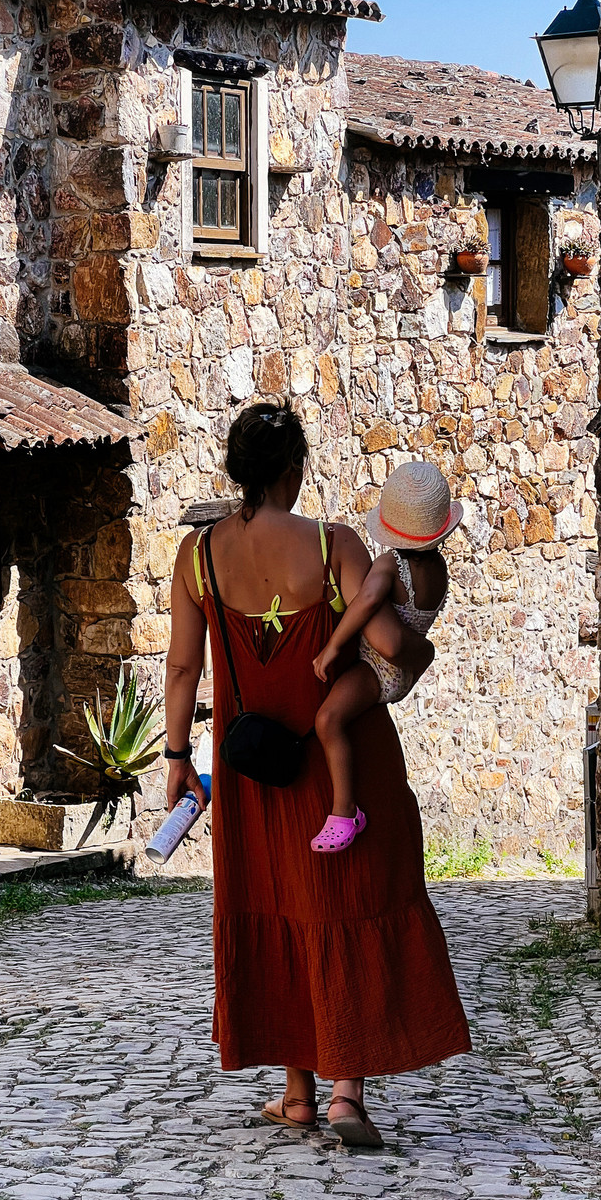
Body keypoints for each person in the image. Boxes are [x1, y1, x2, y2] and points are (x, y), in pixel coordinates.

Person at [164, 400, 471, 1149]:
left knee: (278, 904)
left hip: (253, 773)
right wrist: (425, 656)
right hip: (342, 767)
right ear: (295, 470)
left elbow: (181, 666)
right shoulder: (337, 546)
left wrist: (177, 761)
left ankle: (297, 1093)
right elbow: (395, 647)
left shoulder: (197, 558)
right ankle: (344, 1094)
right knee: (347, 901)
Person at [309, 461, 461, 853]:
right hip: (403, 673)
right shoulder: (438, 569)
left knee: (328, 720)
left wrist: (333, 646)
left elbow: (367, 600)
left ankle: (345, 812)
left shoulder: (390, 566)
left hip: (377, 669)